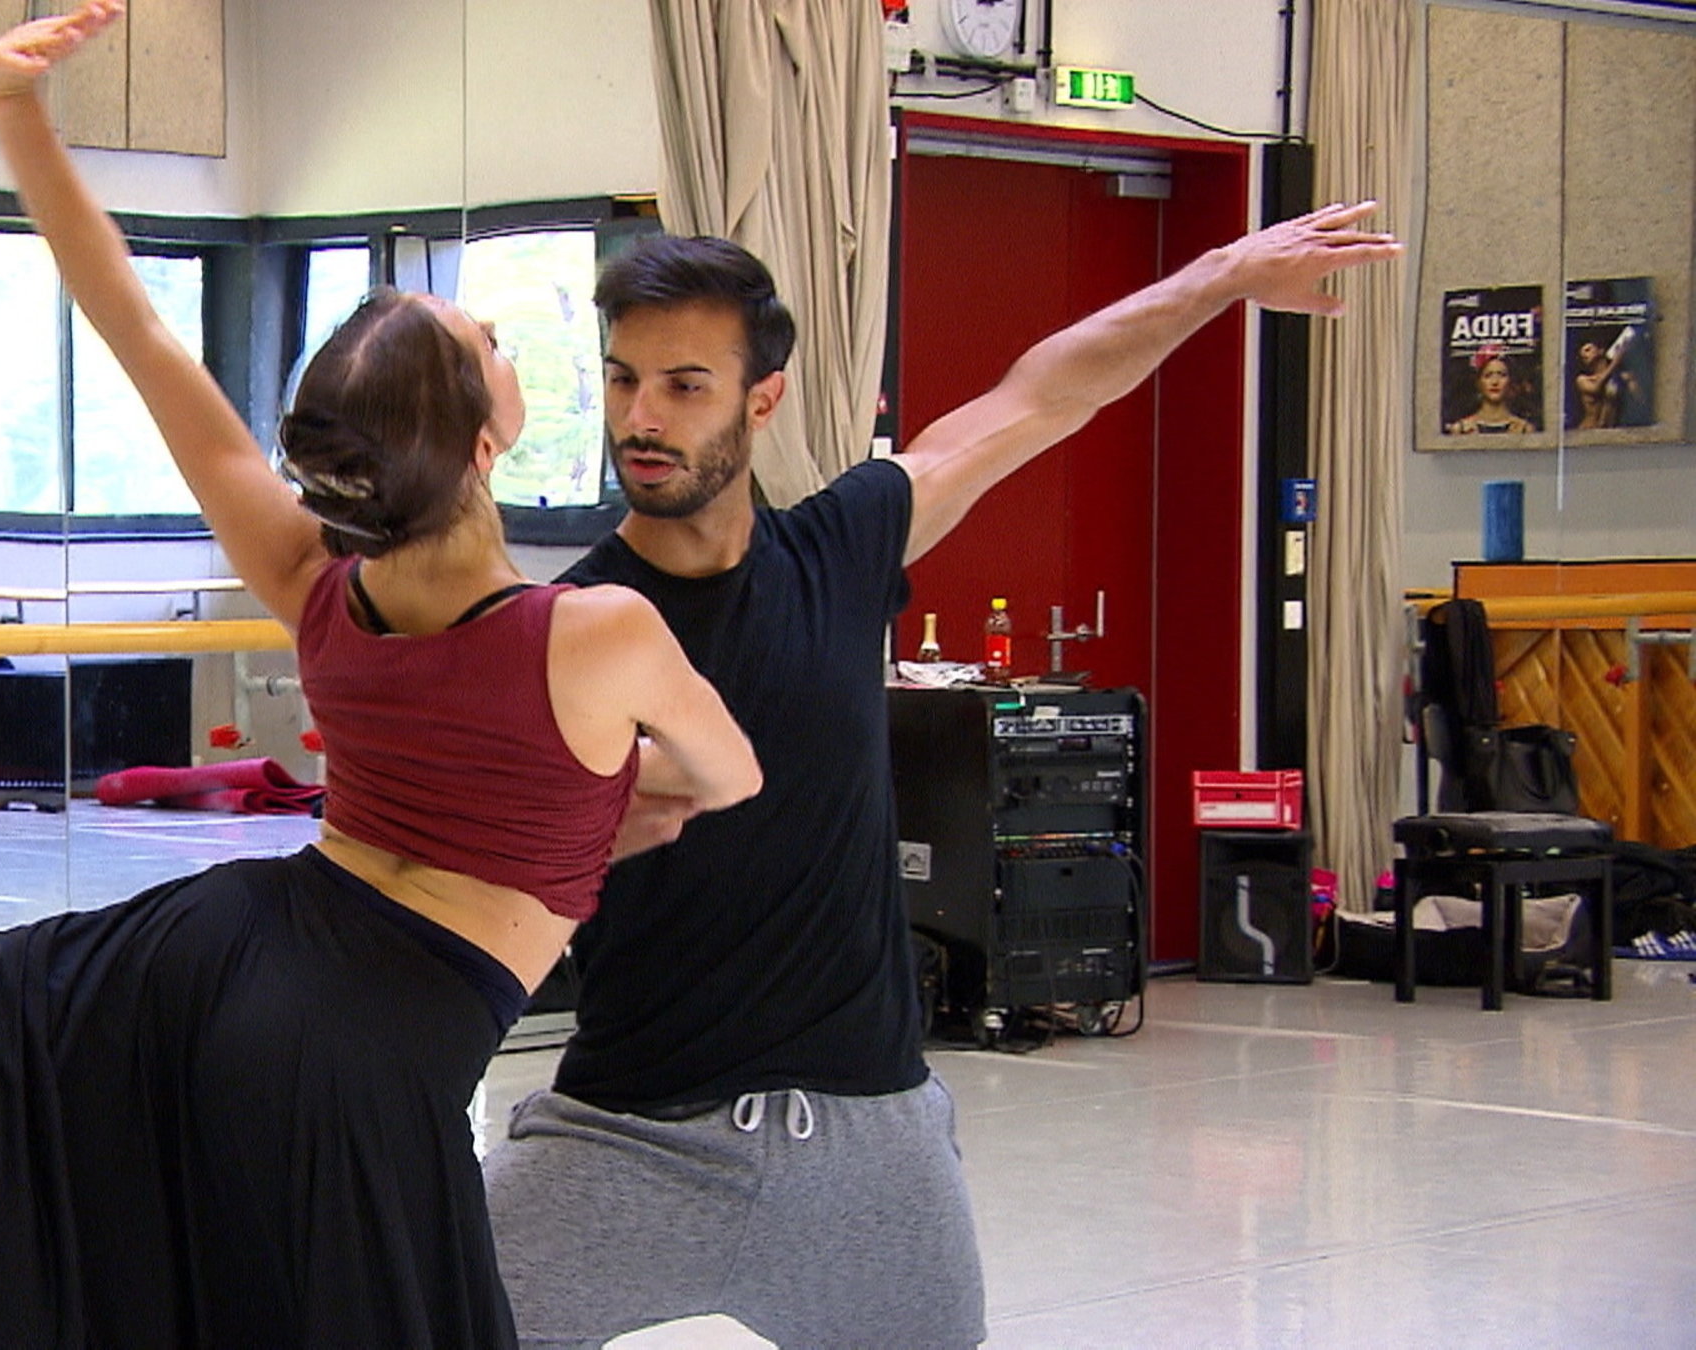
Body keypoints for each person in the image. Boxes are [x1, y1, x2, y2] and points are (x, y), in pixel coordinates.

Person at [0, 3, 760, 1345]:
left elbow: (138, 329)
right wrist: (615, 805)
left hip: (215, 950)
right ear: (482, 434)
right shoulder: (592, 633)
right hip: (369, 1041)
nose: (508, 345)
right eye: (490, 344)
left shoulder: (310, 577)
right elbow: (725, 772)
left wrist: (16, 112)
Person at [483, 214, 1401, 1348]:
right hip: (627, 1133)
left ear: (759, 402)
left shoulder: (842, 548)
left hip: (869, 1138)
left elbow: (1041, 396)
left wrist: (1220, 274)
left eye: (682, 385)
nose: (639, 418)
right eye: (622, 381)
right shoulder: (567, 625)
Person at [1445, 347, 1536, 435]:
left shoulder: (1524, 429)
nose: (1495, 382)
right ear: (1478, 382)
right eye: (1488, 375)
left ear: (1510, 381)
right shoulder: (1461, 429)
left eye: (1502, 375)